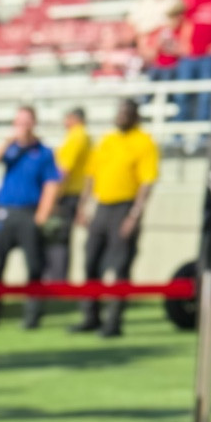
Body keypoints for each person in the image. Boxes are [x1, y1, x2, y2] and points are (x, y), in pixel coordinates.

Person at [73, 98, 157, 337]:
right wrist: (82, 206)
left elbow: (147, 182)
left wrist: (134, 216)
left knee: (120, 266)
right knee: (91, 261)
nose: (120, 117)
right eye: (119, 112)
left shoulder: (144, 142)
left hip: (124, 207)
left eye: (125, 113)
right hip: (102, 206)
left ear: (134, 116)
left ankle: (114, 321)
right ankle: (91, 316)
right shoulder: (107, 140)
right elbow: (91, 174)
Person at [0, 106, 61, 328]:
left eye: (26, 122)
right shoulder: (9, 148)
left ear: (33, 123)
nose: (22, 126)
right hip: (5, 213)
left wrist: (43, 214)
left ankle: (32, 316)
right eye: (18, 122)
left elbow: (52, 184)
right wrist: (7, 142)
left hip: (28, 213)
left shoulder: (43, 152)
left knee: (34, 266)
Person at [46, 105, 91, 286]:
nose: (64, 122)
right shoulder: (82, 136)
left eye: (67, 118)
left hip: (67, 195)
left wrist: (54, 196)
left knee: (58, 238)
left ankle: (58, 282)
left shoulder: (76, 136)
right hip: (72, 193)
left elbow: (64, 170)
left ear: (74, 118)